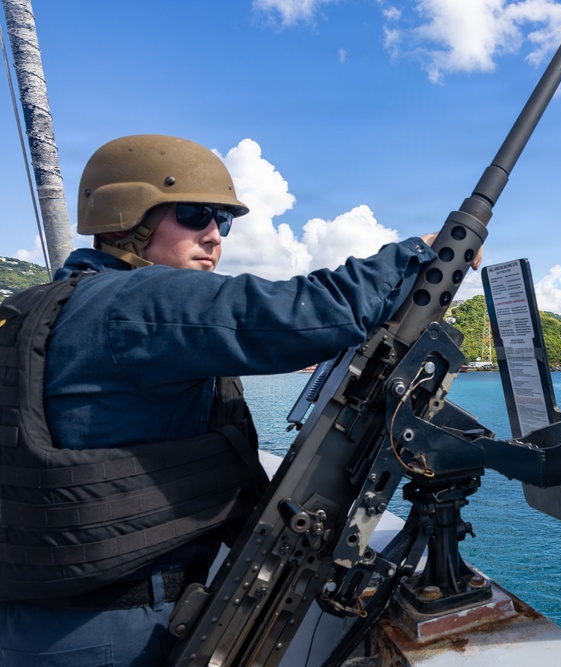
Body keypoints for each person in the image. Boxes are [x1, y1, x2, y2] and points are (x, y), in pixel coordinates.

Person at [0, 134, 474, 666]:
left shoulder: (36, 309)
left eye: (223, 222)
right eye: (195, 214)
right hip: (116, 628)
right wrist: (426, 253)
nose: (213, 236)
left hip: (37, 621)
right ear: (122, 221)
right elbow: (307, 314)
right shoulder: (136, 301)